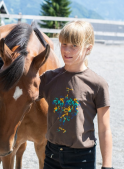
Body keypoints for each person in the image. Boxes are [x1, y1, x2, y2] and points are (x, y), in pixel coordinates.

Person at [39, 20, 113, 169]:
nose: (67, 50)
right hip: (51, 155)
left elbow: (104, 129)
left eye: (74, 46)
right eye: (64, 44)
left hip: (82, 158)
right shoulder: (48, 79)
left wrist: (107, 166)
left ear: (88, 48)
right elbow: (22, 95)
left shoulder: (98, 84)